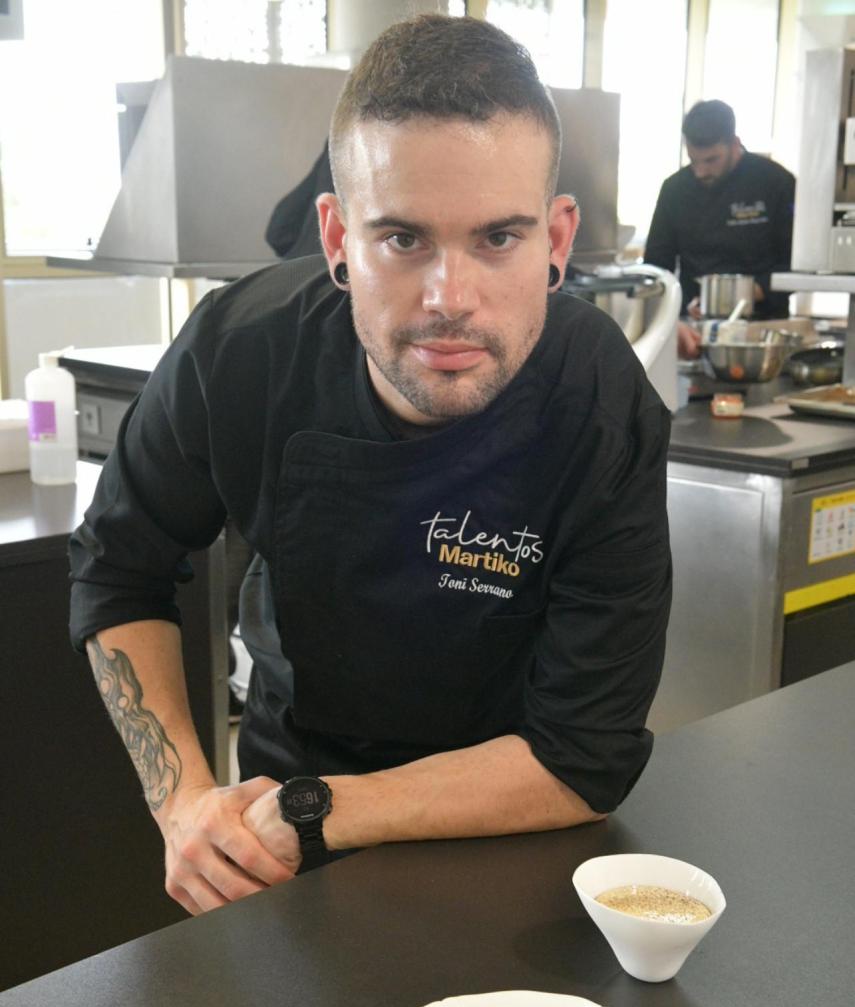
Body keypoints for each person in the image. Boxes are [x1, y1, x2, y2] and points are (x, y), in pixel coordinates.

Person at [69, 14, 672, 916]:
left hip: (511, 824)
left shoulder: (600, 405)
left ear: (555, 240)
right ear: (335, 237)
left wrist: (323, 812)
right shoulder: (240, 353)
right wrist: (186, 804)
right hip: (282, 825)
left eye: (497, 239)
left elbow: (583, 754)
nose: (449, 300)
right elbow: (119, 569)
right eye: (402, 240)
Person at [645, 99, 795, 360]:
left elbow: (794, 263)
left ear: (735, 144)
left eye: (711, 160)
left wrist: (738, 296)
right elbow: (657, 267)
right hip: (694, 335)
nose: (701, 171)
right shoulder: (674, 190)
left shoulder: (776, 183)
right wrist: (669, 316)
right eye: (694, 160)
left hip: (764, 334)